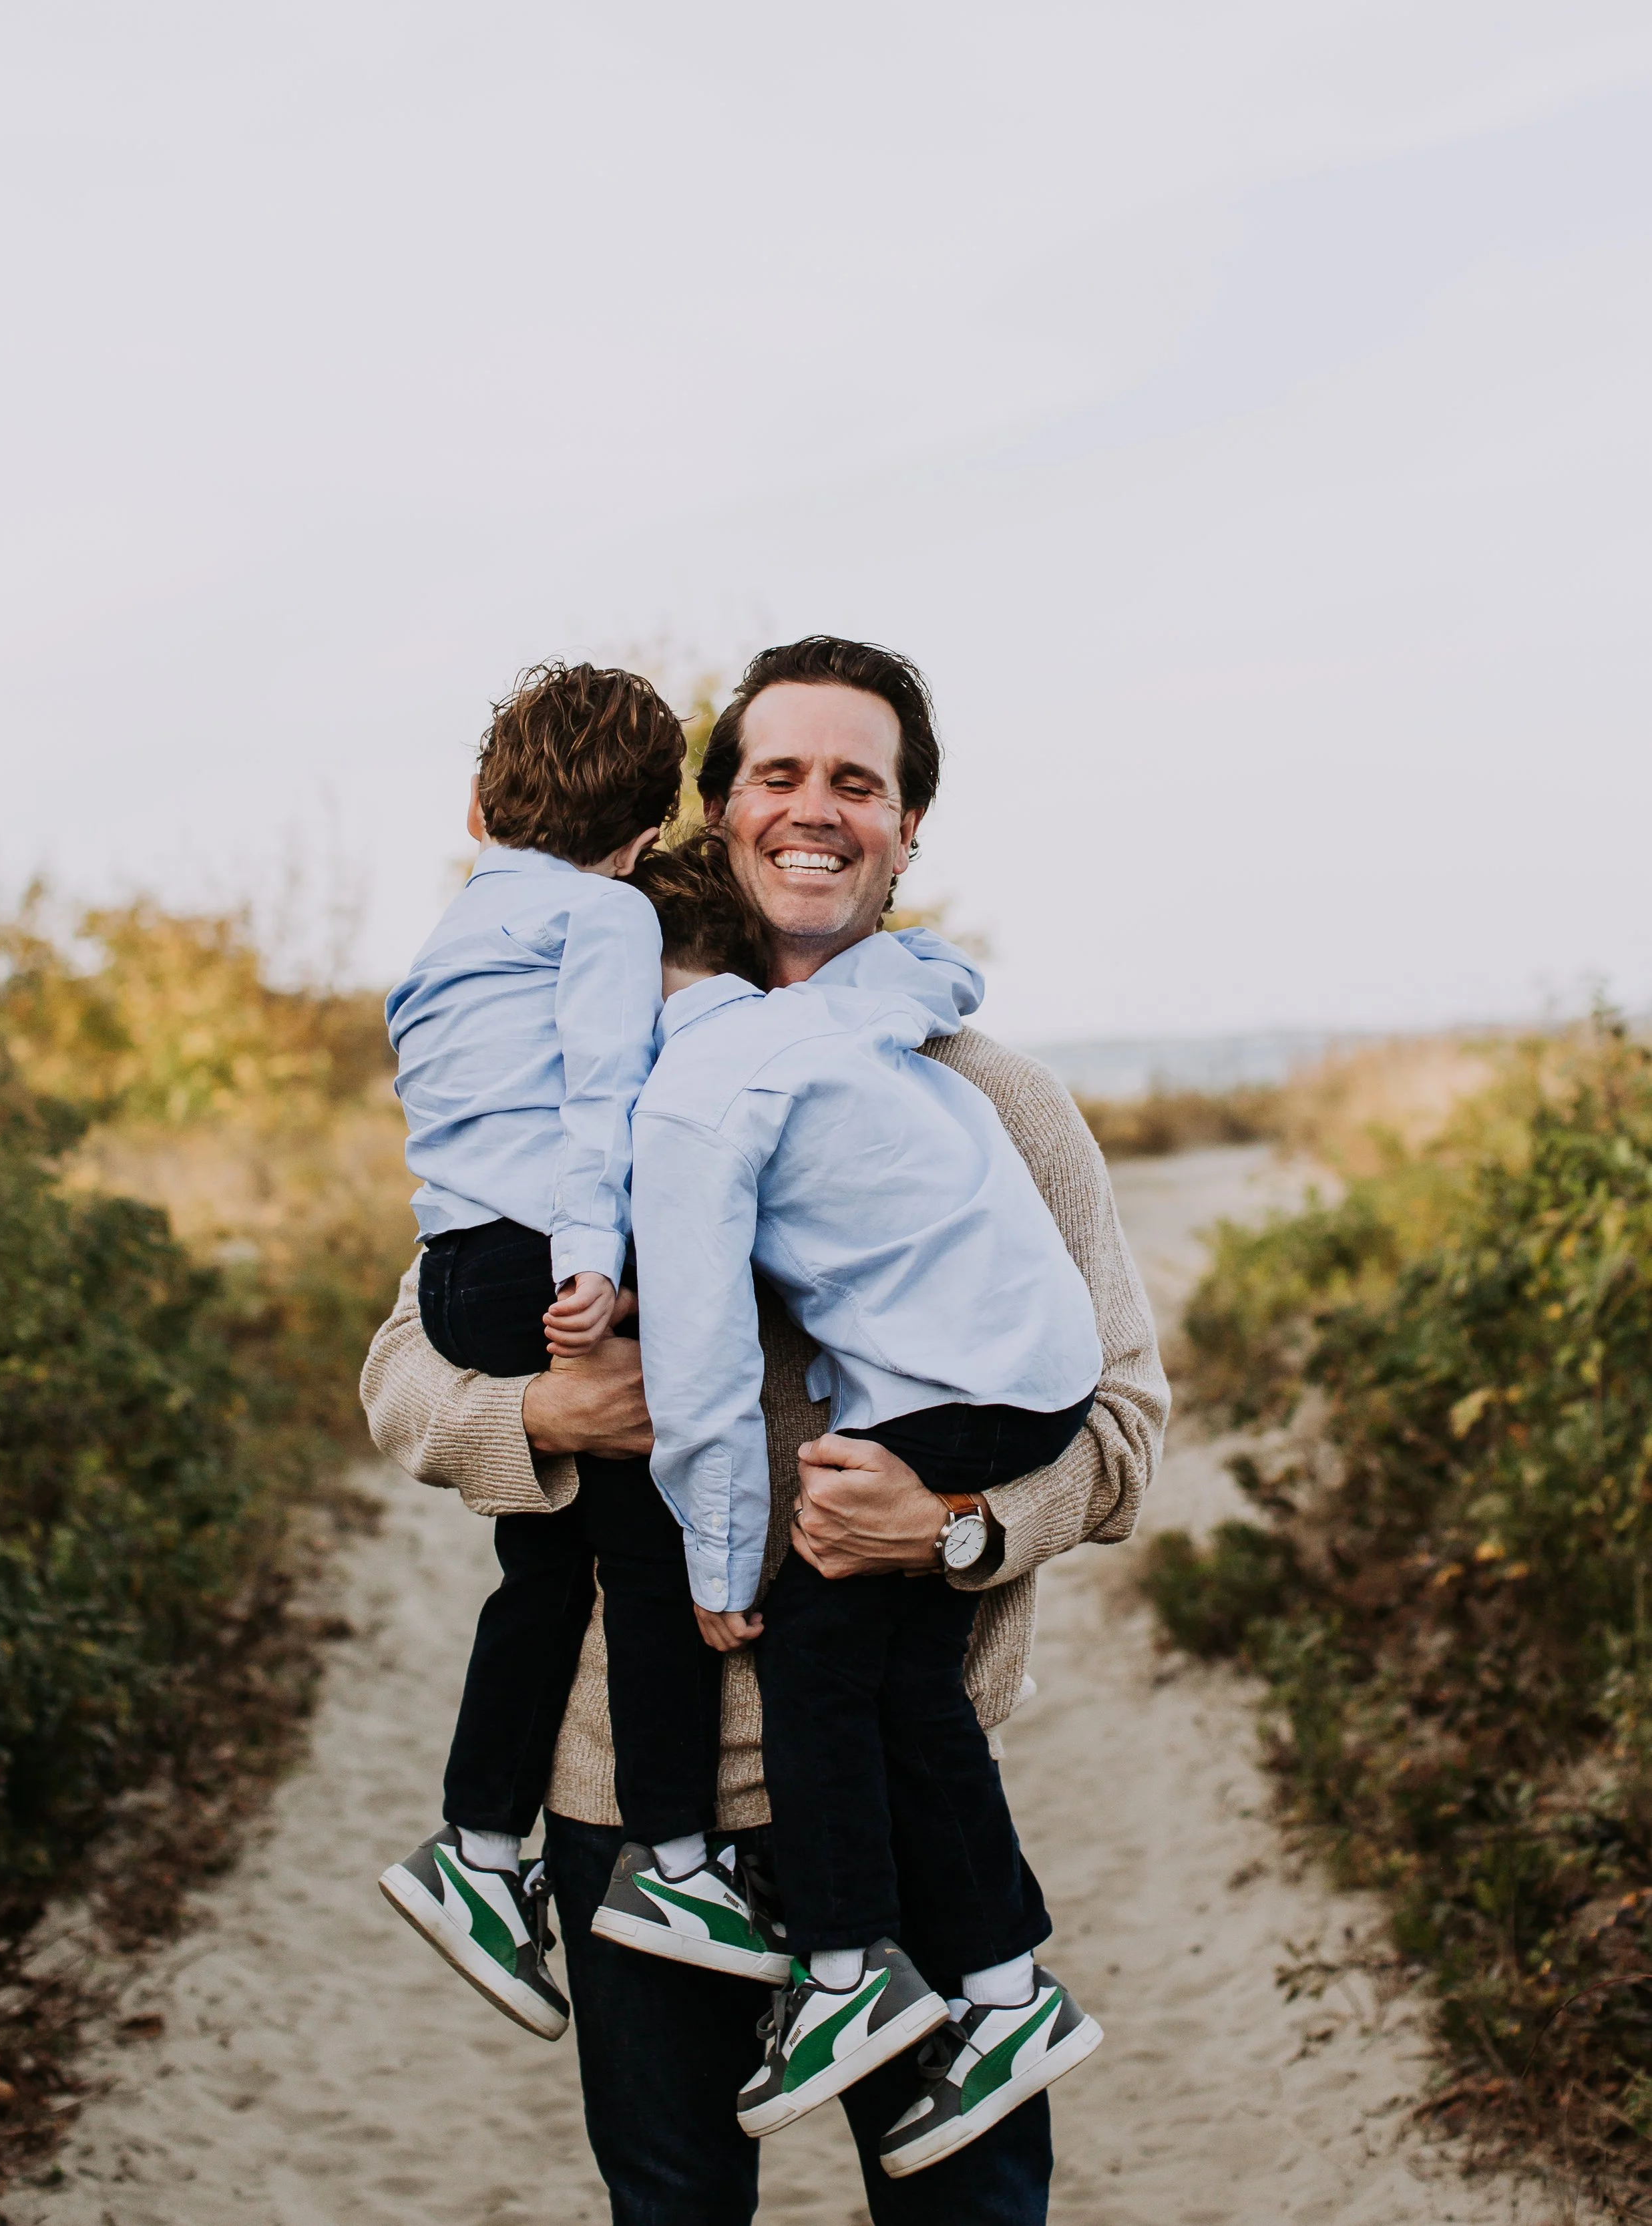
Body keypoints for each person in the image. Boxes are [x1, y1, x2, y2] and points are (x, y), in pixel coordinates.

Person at [362, 636, 1170, 2226]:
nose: (815, 810)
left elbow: (1126, 1425)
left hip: (896, 1772)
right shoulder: (568, 1075)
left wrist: (952, 1523)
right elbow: (404, 1374)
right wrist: (544, 1408)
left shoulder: (992, 1093)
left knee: (970, 2212)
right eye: (776, 775)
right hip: (626, 1801)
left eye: (856, 781)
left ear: (907, 827)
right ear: (706, 815)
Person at [608, 842, 1104, 2172]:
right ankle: (1003, 1996)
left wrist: (720, 1558)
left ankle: (845, 1970)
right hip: (1026, 1369)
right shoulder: (835, 1008)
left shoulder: (686, 1097)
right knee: (903, 1681)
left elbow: (704, 1371)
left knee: (817, 1657)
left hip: (957, 1395)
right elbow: (928, 968)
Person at [376, 662, 787, 2046]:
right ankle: (677, 1862)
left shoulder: (446, 932)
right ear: (639, 840)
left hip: (455, 1267)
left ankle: (479, 1850)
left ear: (480, 800)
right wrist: (593, 1272)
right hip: (544, 1257)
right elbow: (601, 1096)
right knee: (653, 1553)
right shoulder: (608, 913)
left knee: (543, 1571)